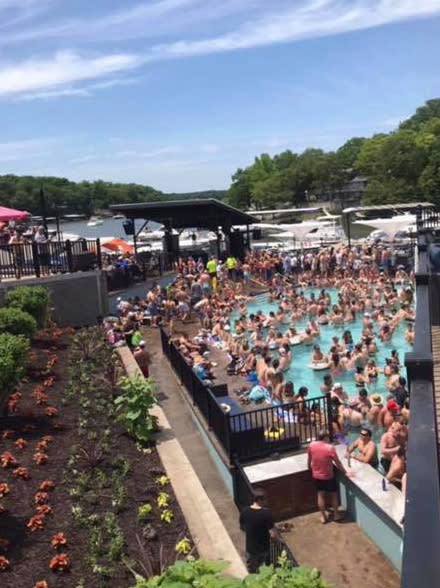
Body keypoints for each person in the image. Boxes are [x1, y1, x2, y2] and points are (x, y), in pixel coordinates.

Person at [307, 430, 352, 524]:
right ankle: (336, 515)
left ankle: (323, 517)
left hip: (316, 475)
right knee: (334, 494)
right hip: (328, 476)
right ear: (325, 438)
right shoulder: (330, 448)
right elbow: (337, 462)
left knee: (320, 495)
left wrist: (309, 469)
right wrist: (345, 472)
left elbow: (309, 459)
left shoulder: (311, 445)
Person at [239, 487, 280, 573]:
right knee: (264, 570)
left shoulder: (245, 511)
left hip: (251, 548)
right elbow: (272, 534)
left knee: (252, 571)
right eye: (265, 499)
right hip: (263, 548)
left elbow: (242, 527)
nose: (267, 501)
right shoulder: (266, 513)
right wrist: (278, 541)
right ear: (260, 499)